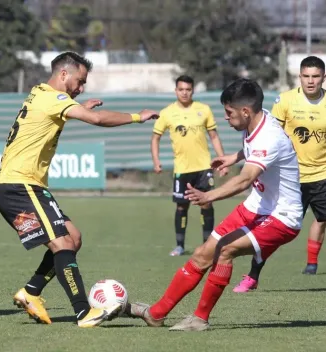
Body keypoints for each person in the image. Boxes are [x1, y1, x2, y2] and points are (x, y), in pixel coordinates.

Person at [0, 51, 159, 328]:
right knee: (62, 244)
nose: (81, 87)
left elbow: (56, 108)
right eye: (79, 81)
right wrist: (136, 117)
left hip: (22, 186)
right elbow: (95, 120)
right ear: (63, 75)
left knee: (73, 237)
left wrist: (76, 102)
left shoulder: (40, 92)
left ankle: (31, 291)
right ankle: (84, 312)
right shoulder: (53, 99)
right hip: (20, 186)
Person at [126, 78, 303, 331]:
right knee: (201, 254)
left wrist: (209, 196)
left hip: (282, 218)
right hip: (257, 206)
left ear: (245, 111)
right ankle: (156, 313)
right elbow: (252, 149)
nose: (226, 118)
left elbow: (245, 180)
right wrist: (234, 156)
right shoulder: (255, 120)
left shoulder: (269, 136)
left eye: (229, 113)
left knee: (225, 250)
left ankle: (200, 319)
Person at [234, 56, 326, 292]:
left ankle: (312, 263)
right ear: (300, 77)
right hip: (289, 179)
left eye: (315, 76)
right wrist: (236, 157)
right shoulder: (285, 101)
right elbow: (265, 137)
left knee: (322, 219)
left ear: (323, 77)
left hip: (321, 176)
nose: (310, 81)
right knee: (272, 228)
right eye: (306, 76)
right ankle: (253, 276)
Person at [152, 75, 227, 257]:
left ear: (192, 90)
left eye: (188, 89)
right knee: (181, 207)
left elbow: (214, 136)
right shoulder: (167, 113)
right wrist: (156, 160)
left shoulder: (204, 110)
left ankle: (207, 246)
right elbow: (156, 138)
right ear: (176, 90)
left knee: (207, 204)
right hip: (182, 169)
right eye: (181, 89)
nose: (184, 93)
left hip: (203, 167)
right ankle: (179, 246)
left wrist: (222, 160)